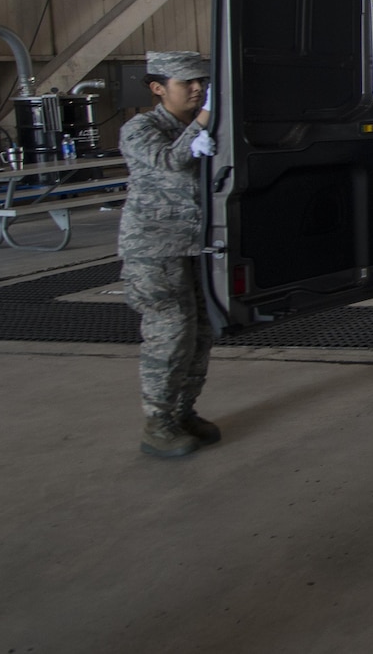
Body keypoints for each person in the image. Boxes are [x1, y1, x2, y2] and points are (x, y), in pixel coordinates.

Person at [118, 50, 220, 458]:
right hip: (154, 249)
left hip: (197, 245)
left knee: (201, 334)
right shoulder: (139, 128)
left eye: (202, 82)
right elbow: (168, 162)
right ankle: (157, 423)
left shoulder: (207, 126)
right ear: (159, 89)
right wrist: (202, 124)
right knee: (171, 332)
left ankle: (182, 412)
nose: (198, 89)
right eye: (187, 83)